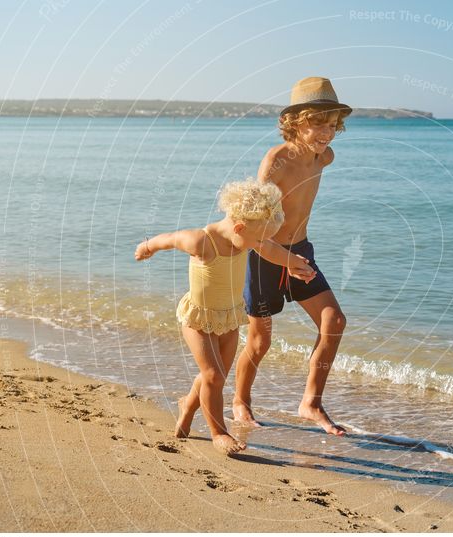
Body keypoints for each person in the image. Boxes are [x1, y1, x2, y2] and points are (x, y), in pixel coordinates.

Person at [135, 178, 315, 454]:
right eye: (259, 238)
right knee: (213, 375)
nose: (261, 244)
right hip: (198, 318)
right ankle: (219, 433)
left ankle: (187, 405)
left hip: (229, 317)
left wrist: (294, 262)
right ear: (240, 227)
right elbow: (170, 239)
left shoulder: (247, 238)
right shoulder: (201, 241)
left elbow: (270, 249)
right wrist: (147, 247)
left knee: (214, 377)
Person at [234, 77, 352, 436]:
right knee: (260, 339)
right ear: (295, 122)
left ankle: (310, 403)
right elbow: (251, 232)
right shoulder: (275, 162)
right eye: (318, 124)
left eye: (332, 126)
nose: (326, 134)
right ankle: (240, 401)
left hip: (301, 250)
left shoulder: (324, 157)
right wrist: (284, 260)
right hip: (265, 255)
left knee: (334, 322)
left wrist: (295, 258)